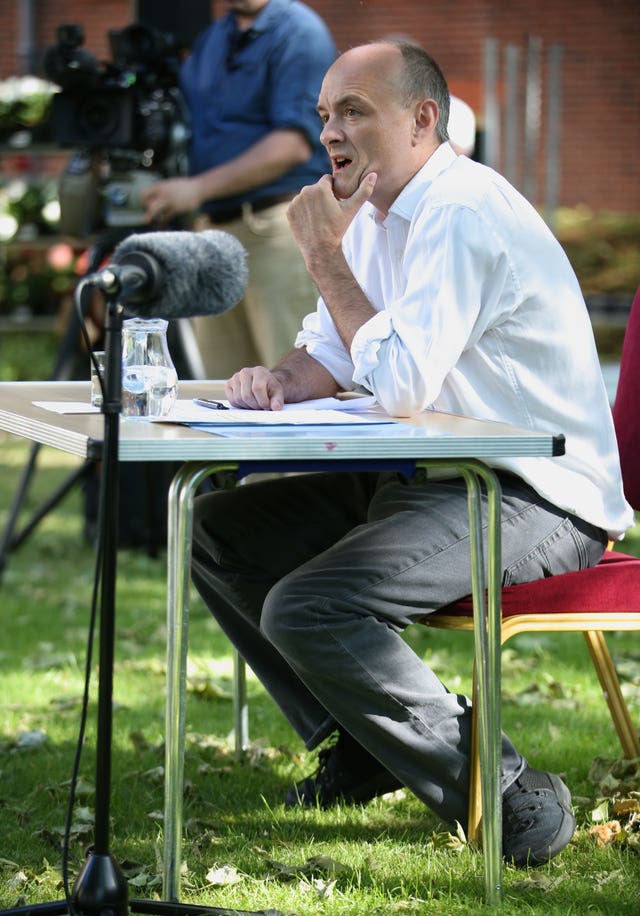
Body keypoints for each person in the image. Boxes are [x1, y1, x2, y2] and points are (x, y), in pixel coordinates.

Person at [190, 40, 633, 868]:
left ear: (423, 119)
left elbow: (395, 380)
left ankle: (502, 793)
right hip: (431, 479)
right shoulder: (378, 215)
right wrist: (272, 380)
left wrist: (319, 252)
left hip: (536, 497)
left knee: (309, 605)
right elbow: (331, 351)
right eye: (325, 115)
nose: (332, 133)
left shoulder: (460, 211)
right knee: (219, 530)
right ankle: (359, 740)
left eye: (355, 110)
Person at [141, 0, 337, 377]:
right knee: (223, 393)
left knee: (294, 387)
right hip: (213, 233)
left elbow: (293, 144)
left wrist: (195, 188)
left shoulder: (300, 31)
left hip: (277, 229)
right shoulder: (213, 38)